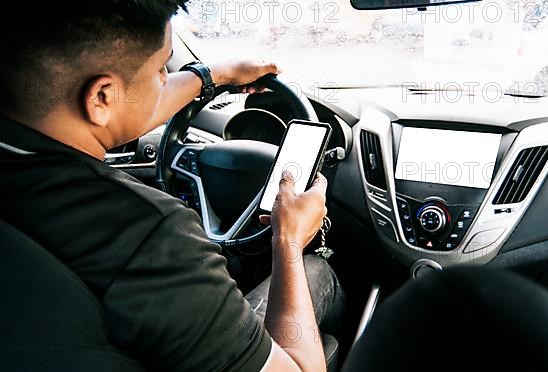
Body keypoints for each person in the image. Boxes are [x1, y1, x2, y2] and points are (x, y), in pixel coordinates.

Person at [0, 1, 343, 371]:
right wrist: (287, 238)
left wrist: (213, 75)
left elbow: (127, 104)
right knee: (316, 273)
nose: (167, 78)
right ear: (101, 97)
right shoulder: (148, 236)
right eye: (161, 68)